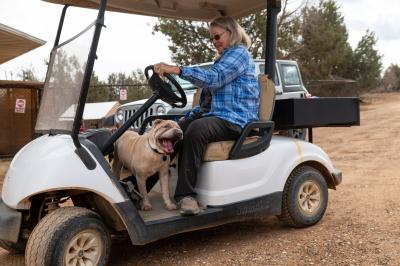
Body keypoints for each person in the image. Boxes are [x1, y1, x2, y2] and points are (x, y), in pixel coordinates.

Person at [154, 16, 260, 215]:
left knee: (197, 129)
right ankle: (138, 187)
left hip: (236, 120)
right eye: (212, 38)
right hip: (219, 117)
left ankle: (186, 196)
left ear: (232, 33)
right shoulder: (222, 59)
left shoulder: (239, 54)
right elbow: (206, 105)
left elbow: (215, 79)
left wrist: (177, 69)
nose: (214, 42)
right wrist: (181, 121)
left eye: (217, 36)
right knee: (171, 131)